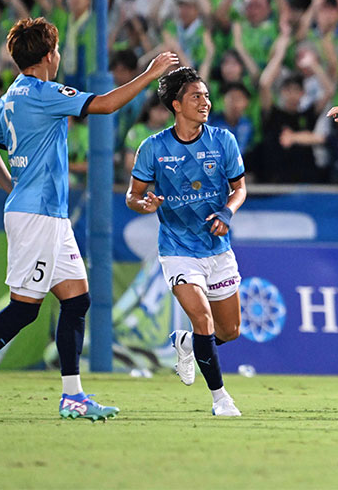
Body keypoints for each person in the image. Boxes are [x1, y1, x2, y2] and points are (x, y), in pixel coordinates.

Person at [0, 17, 177, 424]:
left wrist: (15, 188)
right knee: (23, 311)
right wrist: (150, 74)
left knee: (77, 301)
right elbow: (105, 105)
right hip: (38, 217)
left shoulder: (10, 97)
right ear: (47, 57)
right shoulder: (43, 92)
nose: (59, 57)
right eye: (57, 50)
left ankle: (73, 397)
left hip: (45, 214)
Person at [126, 67, 247, 417]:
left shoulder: (223, 140)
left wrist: (227, 212)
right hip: (178, 250)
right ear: (176, 105)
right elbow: (133, 196)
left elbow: (239, 188)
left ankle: (187, 345)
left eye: (207, 95)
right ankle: (221, 399)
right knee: (203, 320)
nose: (205, 102)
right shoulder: (153, 147)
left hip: (217, 249)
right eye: (197, 96)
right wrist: (143, 203)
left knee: (231, 330)